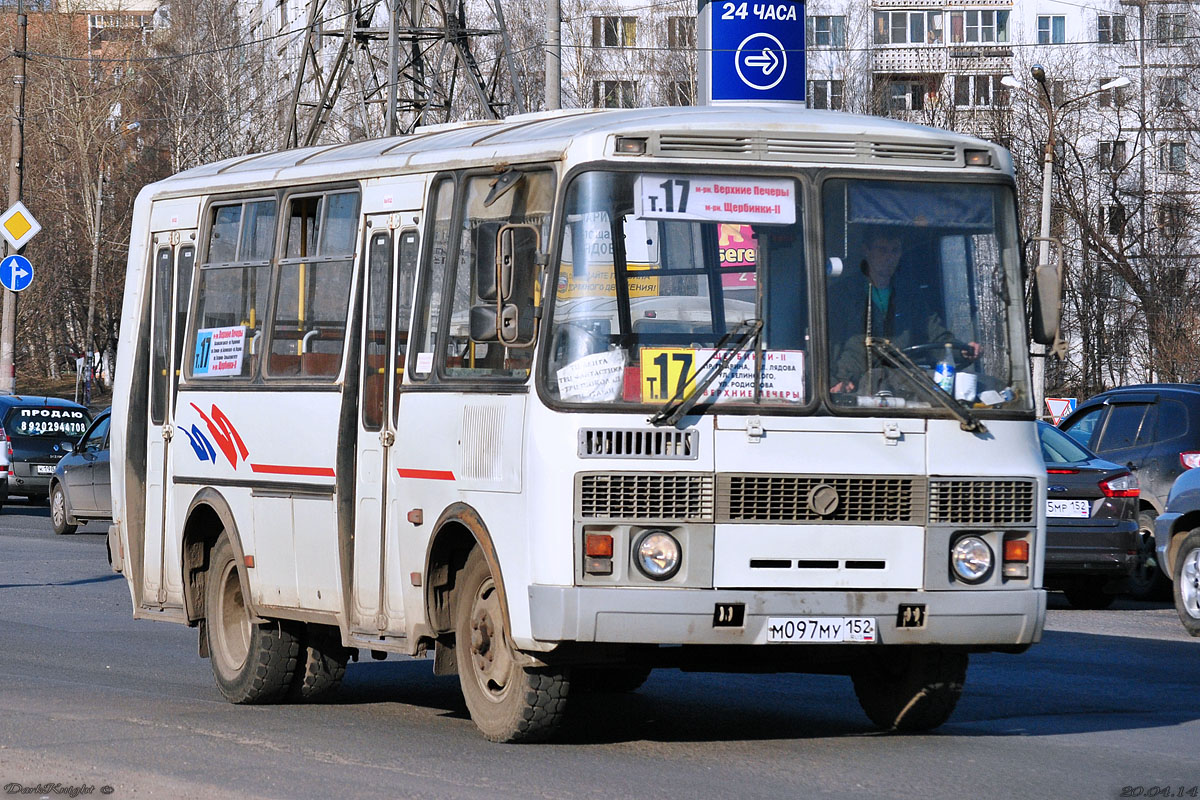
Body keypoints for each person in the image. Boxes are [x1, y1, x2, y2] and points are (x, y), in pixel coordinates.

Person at [829, 228, 980, 395]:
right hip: (854, 389)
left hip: (903, 386)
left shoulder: (910, 295)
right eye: (882, 250)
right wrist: (834, 381)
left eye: (895, 250)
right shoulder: (842, 295)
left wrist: (961, 351)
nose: (889, 257)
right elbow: (826, 344)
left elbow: (935, 337)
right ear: (866, 251)